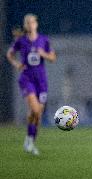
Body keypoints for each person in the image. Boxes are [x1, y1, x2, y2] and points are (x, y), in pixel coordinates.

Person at [7, 14, 56, 155]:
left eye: (32, 22)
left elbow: (53, 57)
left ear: (36, 24)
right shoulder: (21, 41)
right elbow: (9, 54)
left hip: (41, 81)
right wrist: (16, 64)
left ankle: (30, 140)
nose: (30, 25)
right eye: (27, 23)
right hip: (27, 79)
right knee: (35, 110)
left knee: (37, 115)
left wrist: (44, 54)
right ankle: (29, 141)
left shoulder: (44, 40)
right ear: (25, 25)